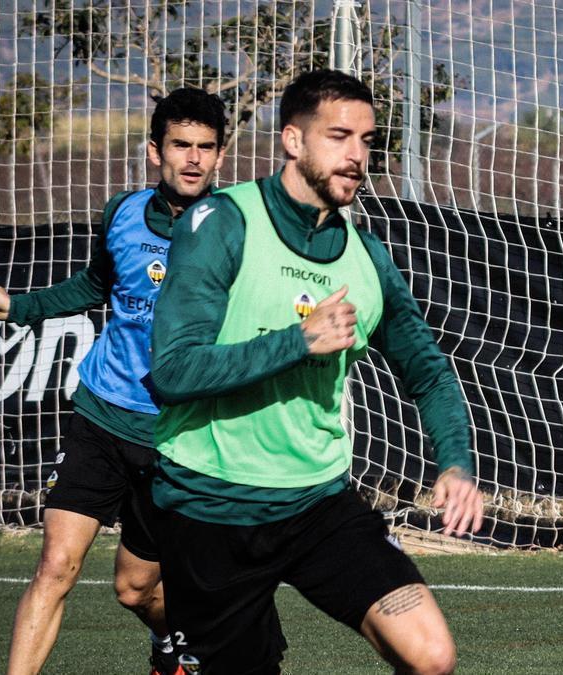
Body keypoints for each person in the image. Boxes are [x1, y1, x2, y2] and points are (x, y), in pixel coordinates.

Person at [148, 69, 483, 675]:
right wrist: (299, 340)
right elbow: (172, 372)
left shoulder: (367, 255)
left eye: (367, 139)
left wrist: (456, 462)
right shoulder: (222, 223)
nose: (357, 156)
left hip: (318, 504)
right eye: (338, 136)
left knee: (431, 655)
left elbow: (428, 372)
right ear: (294, 142)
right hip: (212, 509)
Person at [0, 88, 228, 675]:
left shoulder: (236, 230)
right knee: (55, 567)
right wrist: (21, 306)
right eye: (180, 145)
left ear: (221, 157)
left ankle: (173, 645)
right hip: (101, 415)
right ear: (154, 151)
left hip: (177, 436)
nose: (192, 158)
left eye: (205, 148)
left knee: (136, 590)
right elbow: (93, 286)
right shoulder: (122, 212)